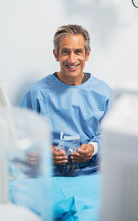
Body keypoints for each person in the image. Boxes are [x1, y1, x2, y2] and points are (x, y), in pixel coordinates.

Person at [20, 24, 112, 176]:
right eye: (65, 52)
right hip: (49, 174)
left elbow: (112, 137)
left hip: (92, 173)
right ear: (56, 55)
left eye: (78, 52)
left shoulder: (103, 93)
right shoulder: (37, 93)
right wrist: (44, 151)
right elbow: (21, 138)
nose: (72, 59)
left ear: (87, 54)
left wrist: (93, 148)